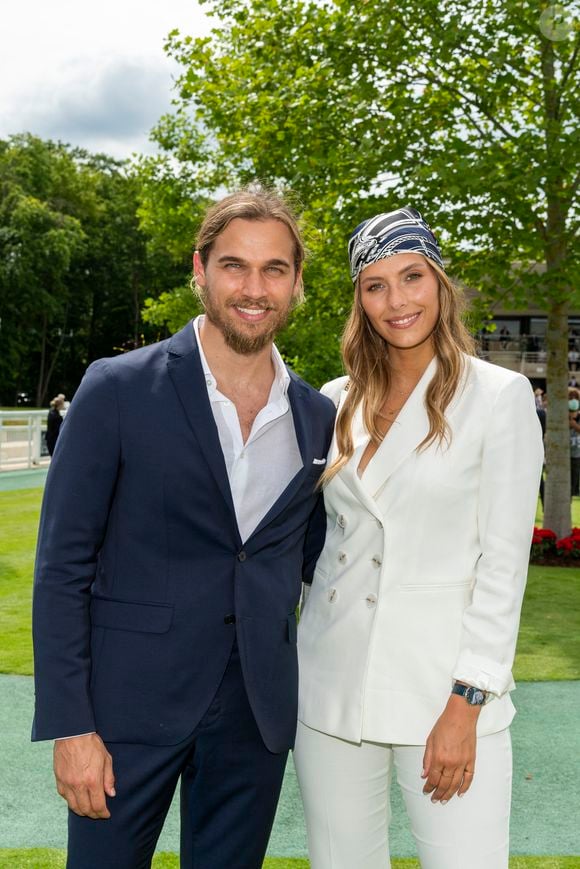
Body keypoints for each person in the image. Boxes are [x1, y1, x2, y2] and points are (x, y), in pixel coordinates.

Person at [32, 186, 336, 869]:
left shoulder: (317, 417)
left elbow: (311, 554)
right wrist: (71, 724)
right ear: (199, 270)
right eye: (234, 265)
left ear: (296, 285)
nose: (254, 288)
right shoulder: (114, 388)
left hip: (254, 714)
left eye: (275, 269)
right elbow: (61, 569)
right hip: (124, 710)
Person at [294, 207, 544, 869]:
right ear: (359, 300)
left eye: (411, 276)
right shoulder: (335, 398)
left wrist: (467, 701)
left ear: (439, 281)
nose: (396, 300)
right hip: (330, 692)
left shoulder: (500, 395)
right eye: (375, 285)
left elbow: (503, 566)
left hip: (443, 693)